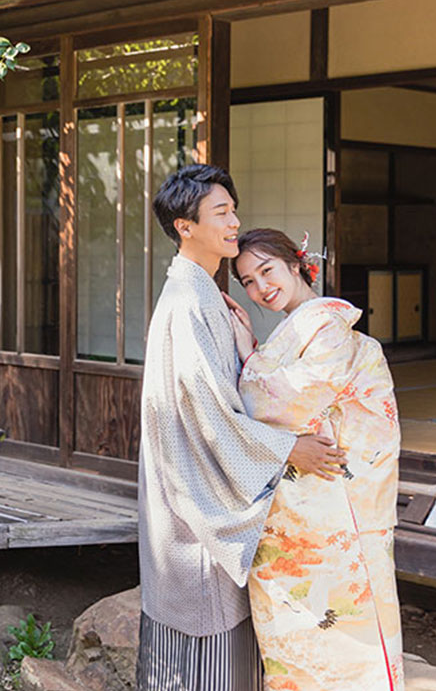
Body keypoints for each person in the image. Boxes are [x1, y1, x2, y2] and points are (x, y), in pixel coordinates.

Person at [136, 166, 346, 691]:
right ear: (186, 226)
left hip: (199, 485)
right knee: (206, 649)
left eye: (234, 210)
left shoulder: (203, 292)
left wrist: (248, 348)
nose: (235, 222)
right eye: (221, 213)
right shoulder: (188, 302)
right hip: (198, 498)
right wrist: (288, 449)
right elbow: (208, 414)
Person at [227, 228, 403, 691]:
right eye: (247, 281)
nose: (261, 287)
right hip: (303, 505)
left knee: (346, 617)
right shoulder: (297, 331)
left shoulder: (328, 326)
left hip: (336, 507)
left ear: (296, 263)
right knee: (296, 622)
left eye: (267, 270)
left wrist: (248, 355)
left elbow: (281, 403)